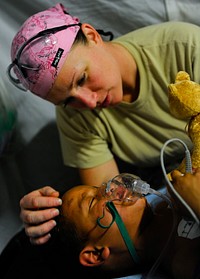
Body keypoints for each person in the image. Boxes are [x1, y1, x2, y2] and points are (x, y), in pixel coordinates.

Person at [7, 3, 200, 245]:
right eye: (68, 100)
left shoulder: (185, 48)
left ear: (91, 35)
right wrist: (56, 217)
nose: (89, 102)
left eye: (83, 78)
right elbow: (114, 213)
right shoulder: (74, 118)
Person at [56, 172, 200, 279]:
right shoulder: (184, 260)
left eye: (100, 188)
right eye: (92, 202)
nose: (108, 189)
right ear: (95, 255)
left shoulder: (167, 198)